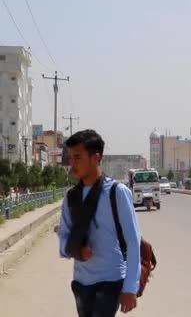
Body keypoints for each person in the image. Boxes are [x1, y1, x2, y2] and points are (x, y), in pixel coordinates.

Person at [58, 130, 141, 317]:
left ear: (96, 158)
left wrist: (130, 288)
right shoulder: (71, 197)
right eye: (70, 158)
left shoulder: (117, 192)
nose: (72, 163)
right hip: (81, 282)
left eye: (77, 157)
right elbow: (63, 236)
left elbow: (133, 242)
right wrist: (76, 251)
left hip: (110, 280)